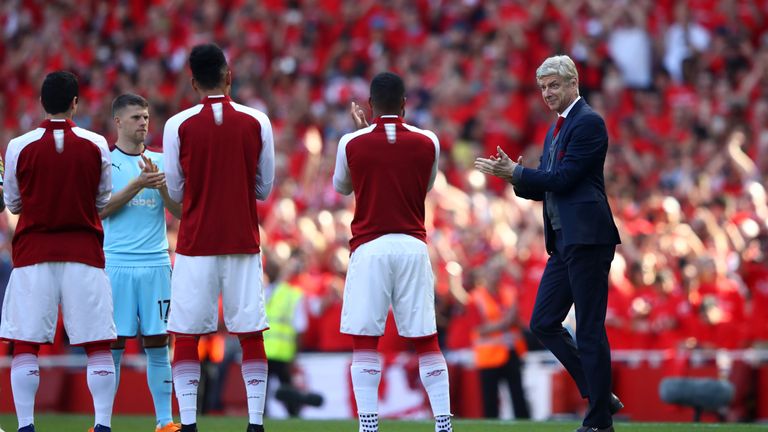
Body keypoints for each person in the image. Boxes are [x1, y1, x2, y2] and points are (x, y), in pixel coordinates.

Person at [475, 55, 623, 432]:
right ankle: (600, 392)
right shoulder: (556, 128)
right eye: (542, 87)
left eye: (554, 85)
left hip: (588, 237)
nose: (547, 93)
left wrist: (520, 173)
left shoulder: (588, 122)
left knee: (589, 328)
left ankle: (599, 421)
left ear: (574, 83)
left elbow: (563, 178)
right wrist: (515, 178)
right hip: (565, 239)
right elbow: (549, 186)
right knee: (542, 321)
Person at [163, 43, 275, 432]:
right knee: (250, 333)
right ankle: (255, 423)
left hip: (196, 244)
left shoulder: (178, 125)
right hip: (242, 241)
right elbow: (264, 188)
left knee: (187, 334)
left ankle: (190, 424)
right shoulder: (257, 121)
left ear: (192, 82)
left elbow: (176, 192)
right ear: (229, 76)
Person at [333, 72, 453, 432]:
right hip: (413, 245)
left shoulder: (350, 143)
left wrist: (360, 135)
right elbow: (427, 185)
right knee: (426, 339)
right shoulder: (427, 141)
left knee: (365, 339)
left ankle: (369, 426)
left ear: (370, 105)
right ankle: (444, 424)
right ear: (405, 104)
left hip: (370, 247)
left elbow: (341, 187)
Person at [0, 71, 116, 432]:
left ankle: (26, 426)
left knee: (27, 344)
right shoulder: (96, 144)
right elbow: (103, 199)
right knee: (97, 343)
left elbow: (14, 204)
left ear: (40, 103)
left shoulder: (19, 146)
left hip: (34, 254)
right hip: (84, 254)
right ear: (75, 103)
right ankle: (102, 425)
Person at [100, 93, 182, 432]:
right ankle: (102, 423)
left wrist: (161, 189)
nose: (144, 123)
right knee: (113, 344)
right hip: (116, 262)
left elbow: (179, 211)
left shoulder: (162, 162)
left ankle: (164, 422)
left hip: (156, 262)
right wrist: (138, 184)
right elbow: (100, 210)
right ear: (118, 121)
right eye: (136, 117)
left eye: (146, 117)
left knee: (158, 341)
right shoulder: (105, 162)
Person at [466, 264, 530, 420]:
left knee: (518, 395)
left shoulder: (508, 292)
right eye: (491, 273)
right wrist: (504, 323)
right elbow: (476, 329)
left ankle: (525, 425)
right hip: (488, 356)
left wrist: (508, 321)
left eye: (497, 273)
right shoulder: (476, 298)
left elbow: (518, 319)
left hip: (511, 351)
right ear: (484, 276)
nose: (495, 277)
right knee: (490, 400)